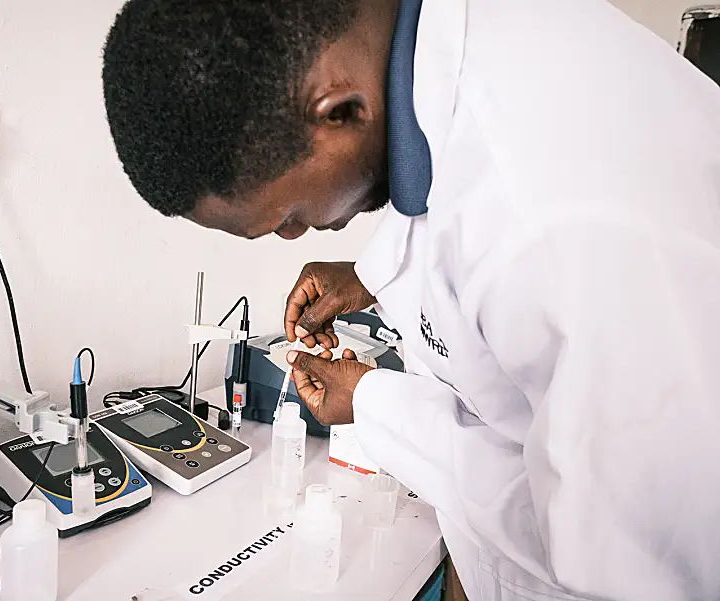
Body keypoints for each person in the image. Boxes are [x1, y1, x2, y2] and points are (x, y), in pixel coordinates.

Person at [101, 0, 720, 599]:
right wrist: (373, 273)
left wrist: (374, 405)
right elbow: (448, 193)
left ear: (338, 110)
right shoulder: (467, 49)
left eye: (288, 215)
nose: (295, 234)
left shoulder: (552, 213)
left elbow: (612, 549)